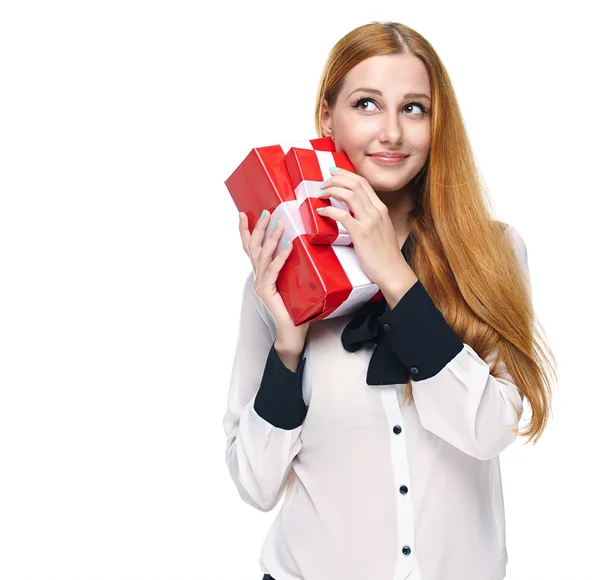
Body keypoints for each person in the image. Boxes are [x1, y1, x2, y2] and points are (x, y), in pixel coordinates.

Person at [223, 20, 556, 580]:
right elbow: (255, 484)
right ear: (329, 117)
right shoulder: (280, 270)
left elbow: (490, 430)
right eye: (367, 104)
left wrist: (398, 281)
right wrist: (288, 347)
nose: (392, 133)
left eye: (414, 109)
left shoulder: (494, 253)